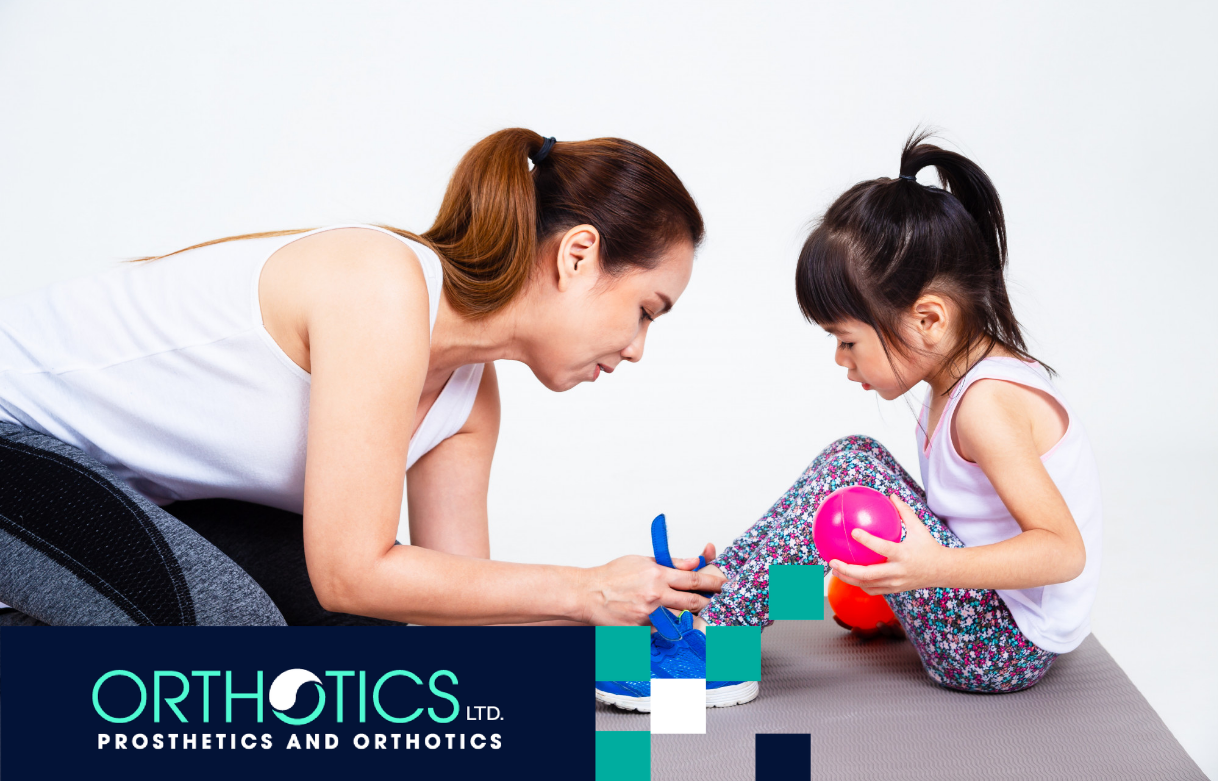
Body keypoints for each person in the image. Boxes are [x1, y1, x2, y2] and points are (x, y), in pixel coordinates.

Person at [0, 128, 724, 626]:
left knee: (362, 647)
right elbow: (352, 566)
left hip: (117, 489)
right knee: (232, 636)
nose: (636, 349)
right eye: (645, 311)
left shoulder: (469, 399)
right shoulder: (379, 287)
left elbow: (449, 617)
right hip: (14, 436)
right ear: (577, 255)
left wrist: (634, 603)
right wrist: (585, 588)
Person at [598, 132, 1101, 710]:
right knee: (851, 478)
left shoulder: (988, 403)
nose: (841, 360)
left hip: (1002, 650)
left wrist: (933, 567)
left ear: (928, 319)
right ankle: (726, 593)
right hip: (999, 627)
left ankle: (722, 641)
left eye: (847, 340)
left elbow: (1063, 551)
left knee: (853, 465)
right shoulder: (966, 381)